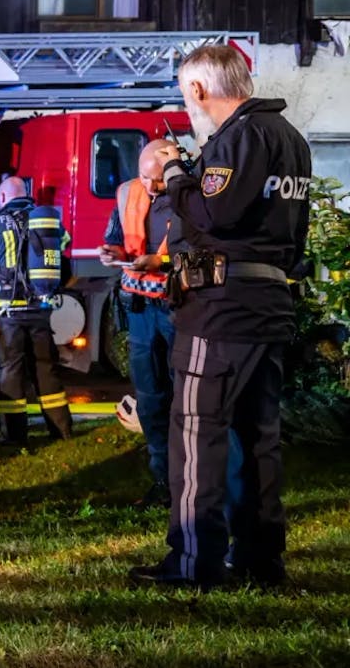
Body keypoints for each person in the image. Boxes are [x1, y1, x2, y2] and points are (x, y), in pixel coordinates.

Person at [130, 44, 310, 591]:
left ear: (199, 90)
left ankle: (192, 561)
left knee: (195, 435)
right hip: (268, 303)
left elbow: (213, 213)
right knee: (258, 439)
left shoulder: (239, 137)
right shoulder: (291, 140)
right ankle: (259, 557)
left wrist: (179, 171)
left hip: (219, 310)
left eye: (188, 93)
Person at [100, 139, 184, 508]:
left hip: (177, 307)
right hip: (139, 309)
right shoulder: (127, 192)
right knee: (150, 399)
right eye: (144, 178)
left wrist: (161, 263)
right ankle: (163, 482)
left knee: (185, 397)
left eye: (158, 181)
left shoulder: (188, 193)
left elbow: (198, 251)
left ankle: (190, 482)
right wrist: (112, 253)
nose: (150, 188)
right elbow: (117, 240)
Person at [0, 176, 74, 445]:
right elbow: (63, 245)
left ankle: (14, 435)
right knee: (46, 369)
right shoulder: (46, 223)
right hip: (40, 309)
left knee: (11, 372)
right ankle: (61, 430)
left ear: (3, 198)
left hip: (9, 314)